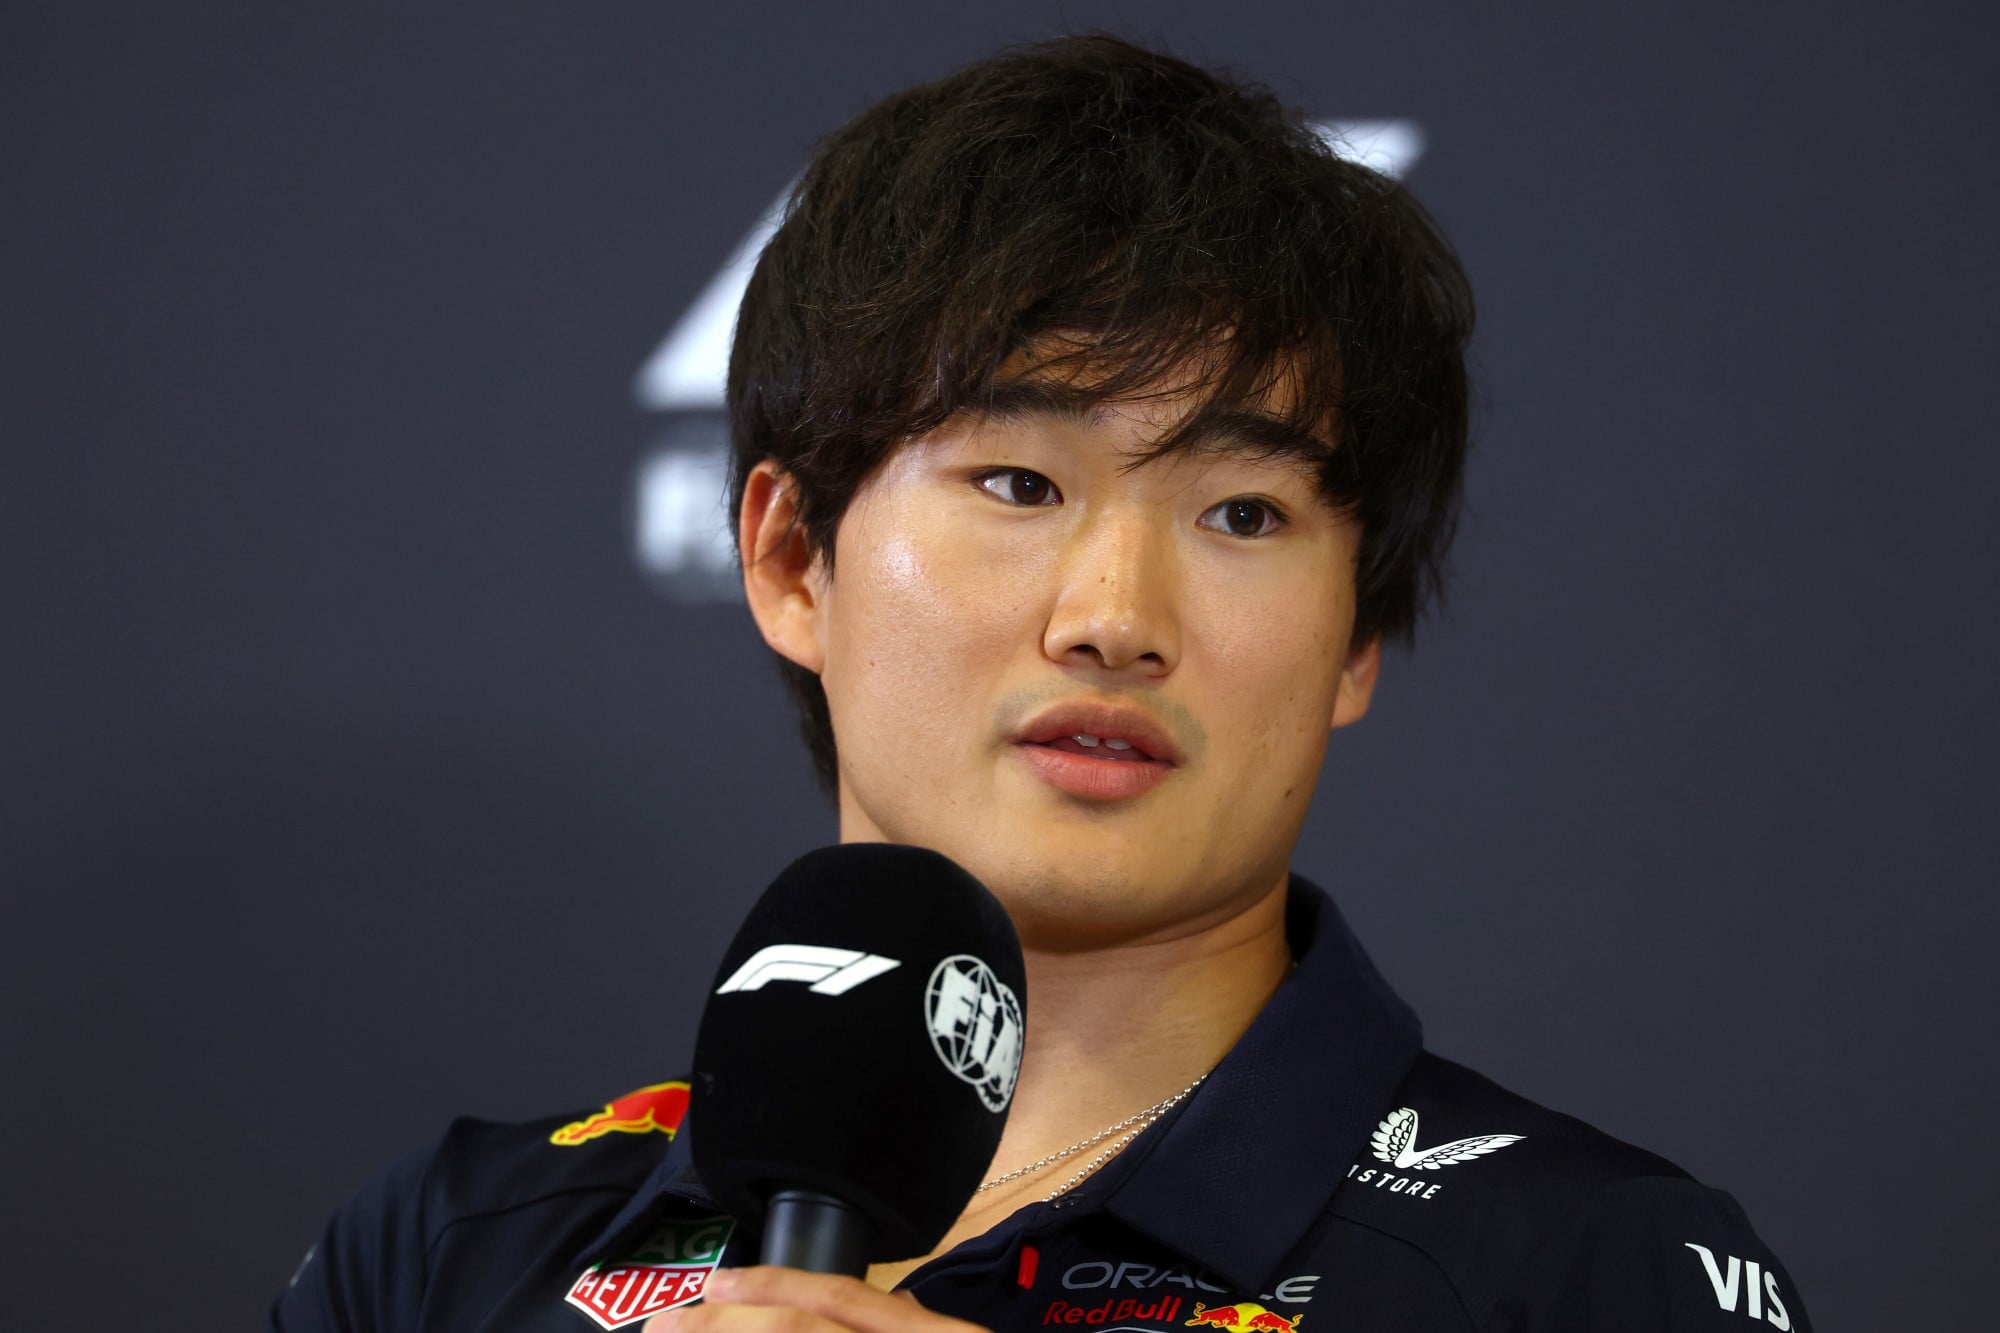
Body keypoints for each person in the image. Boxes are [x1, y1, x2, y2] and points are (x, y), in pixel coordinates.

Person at [273, 33, 1811, 1333]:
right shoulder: (457, 1249)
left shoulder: (1588, 1272)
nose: (1115, 617)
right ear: (791, 557)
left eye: (1242, 514)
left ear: (1357, 638)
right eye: (1017, 481)